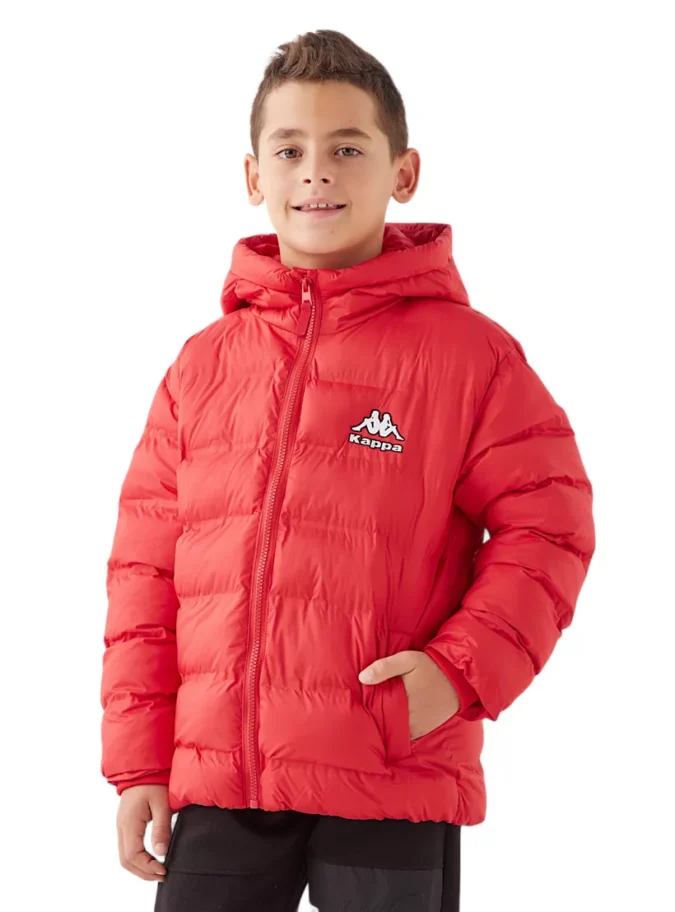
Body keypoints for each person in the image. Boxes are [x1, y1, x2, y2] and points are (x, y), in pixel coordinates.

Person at [100, 28, 596, 912]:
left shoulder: (469, 358)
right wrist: (139, 761)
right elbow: (145, 574)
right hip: (220, 774)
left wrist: (457, 673)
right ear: (253, 176)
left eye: (347, 149)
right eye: (289, 150)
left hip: (389, 767)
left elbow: (548, 525)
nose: (316, 174)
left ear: (403, 172)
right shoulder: (201, 367)